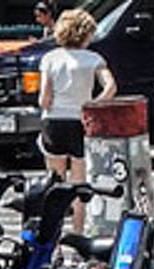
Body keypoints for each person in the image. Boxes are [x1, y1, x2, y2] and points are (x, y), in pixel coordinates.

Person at [36, 7, 113, 226]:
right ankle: (77, 233)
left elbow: (45, 98)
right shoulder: (94, 59)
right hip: (81, 121)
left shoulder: (50, 59)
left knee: (55, 183)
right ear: (86, 33)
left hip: (54, 121)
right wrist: (93, 105)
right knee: (80, 182)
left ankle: (54, 238)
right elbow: (110, 86)